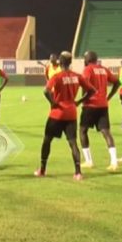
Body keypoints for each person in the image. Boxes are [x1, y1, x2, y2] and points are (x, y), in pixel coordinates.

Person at [35, 51, 95, 180]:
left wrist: (53, 103)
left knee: (47, 140)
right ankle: (78, 172)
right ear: (70, 63)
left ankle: (42, 169)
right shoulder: (77, 76)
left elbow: (46, 91)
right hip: (71, 114)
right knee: (73, 143)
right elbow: (92, 91)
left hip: (57, 113)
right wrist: (79, 101)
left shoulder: (57, 77)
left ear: (60, 63)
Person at [79, 51, 120, 170]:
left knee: (82, 131)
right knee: (106, 132)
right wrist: (109, 97)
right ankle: (114, 162)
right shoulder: (104, 70)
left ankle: (89, 161)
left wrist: (82, 100)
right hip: (103, 105)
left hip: (90, 105)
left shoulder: (87, 70)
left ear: (87, 59)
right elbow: (117, 82)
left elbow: (85, 86)